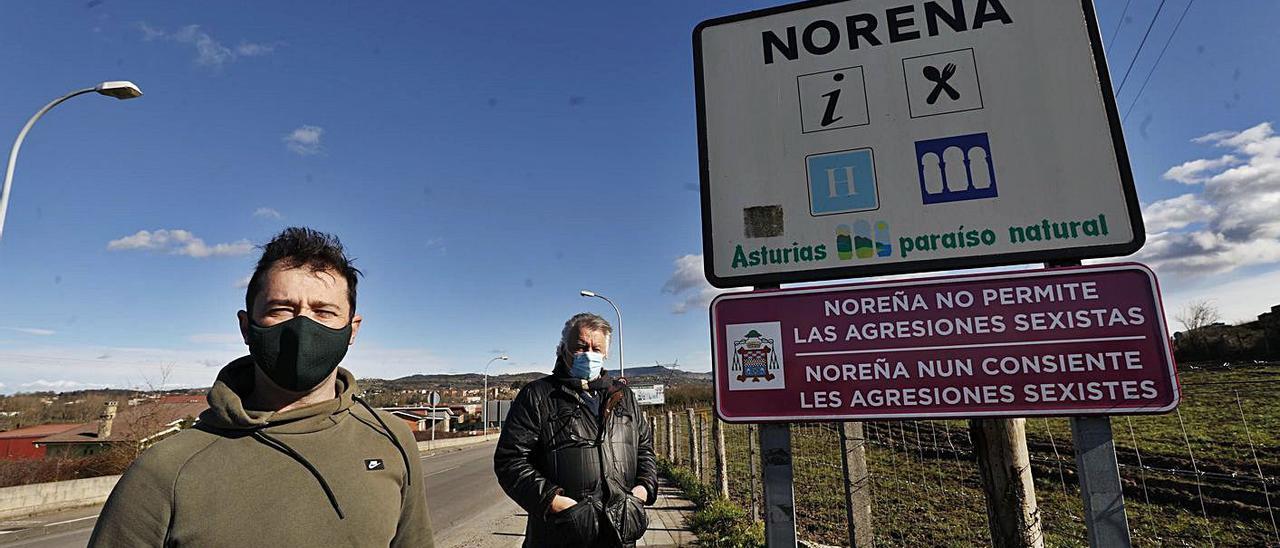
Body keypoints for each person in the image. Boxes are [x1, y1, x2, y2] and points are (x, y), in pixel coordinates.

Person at [89, 227, 433, 547]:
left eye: (323, 311)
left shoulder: (391, 439)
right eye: (281, 309)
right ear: (246, 326)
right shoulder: (164, 470)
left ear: (352, 329)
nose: (302, 327)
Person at [494, 312, 657, 548]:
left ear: (606, 353)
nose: (589, 354)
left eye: (596, 348)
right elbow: (510, 461)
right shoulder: (538, 395)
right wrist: (553, 501)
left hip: (619, 534)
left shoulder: (624, 397)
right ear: (563, 349)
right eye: (581, 347)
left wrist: (642, 491)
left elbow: (644, 449)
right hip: (559, 534)